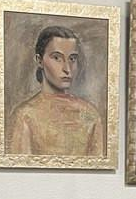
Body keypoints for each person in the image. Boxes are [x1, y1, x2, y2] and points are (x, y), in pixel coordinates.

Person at [6, 26, 102, 156]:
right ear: (39, 60)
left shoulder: (90, 115)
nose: (67, 68)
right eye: (57, 58)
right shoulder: (25, 116)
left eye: (72, 59)